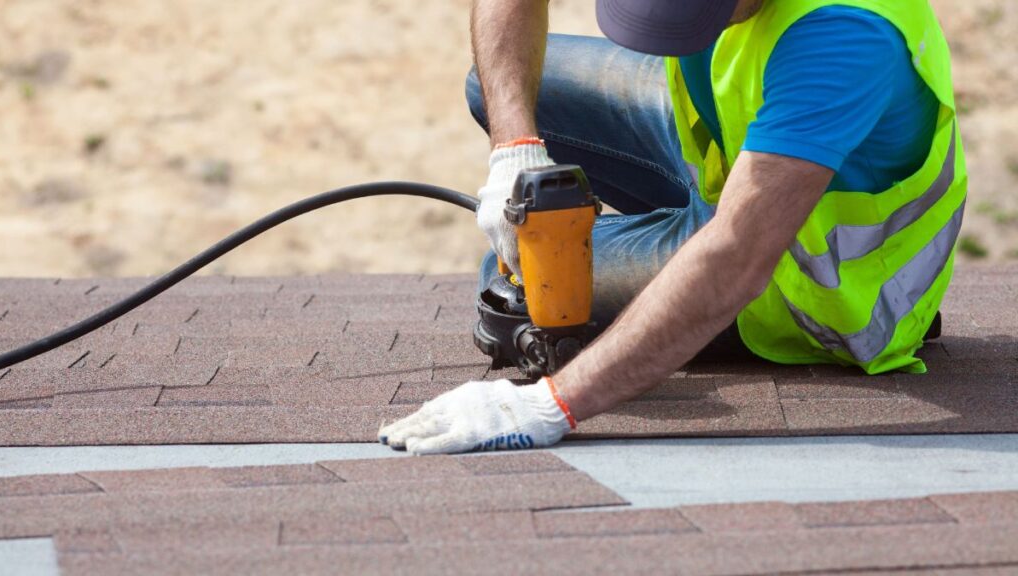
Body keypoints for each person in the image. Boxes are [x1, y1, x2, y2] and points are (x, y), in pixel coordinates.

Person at [379, 0, 967, 454]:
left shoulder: (844, 32)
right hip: (736, 149)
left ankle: (673, 261)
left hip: (806, 279)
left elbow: (736, 254)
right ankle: (667, 242)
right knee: (495, 84)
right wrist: (515, 147)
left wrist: (550, 407)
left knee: (512, 285)